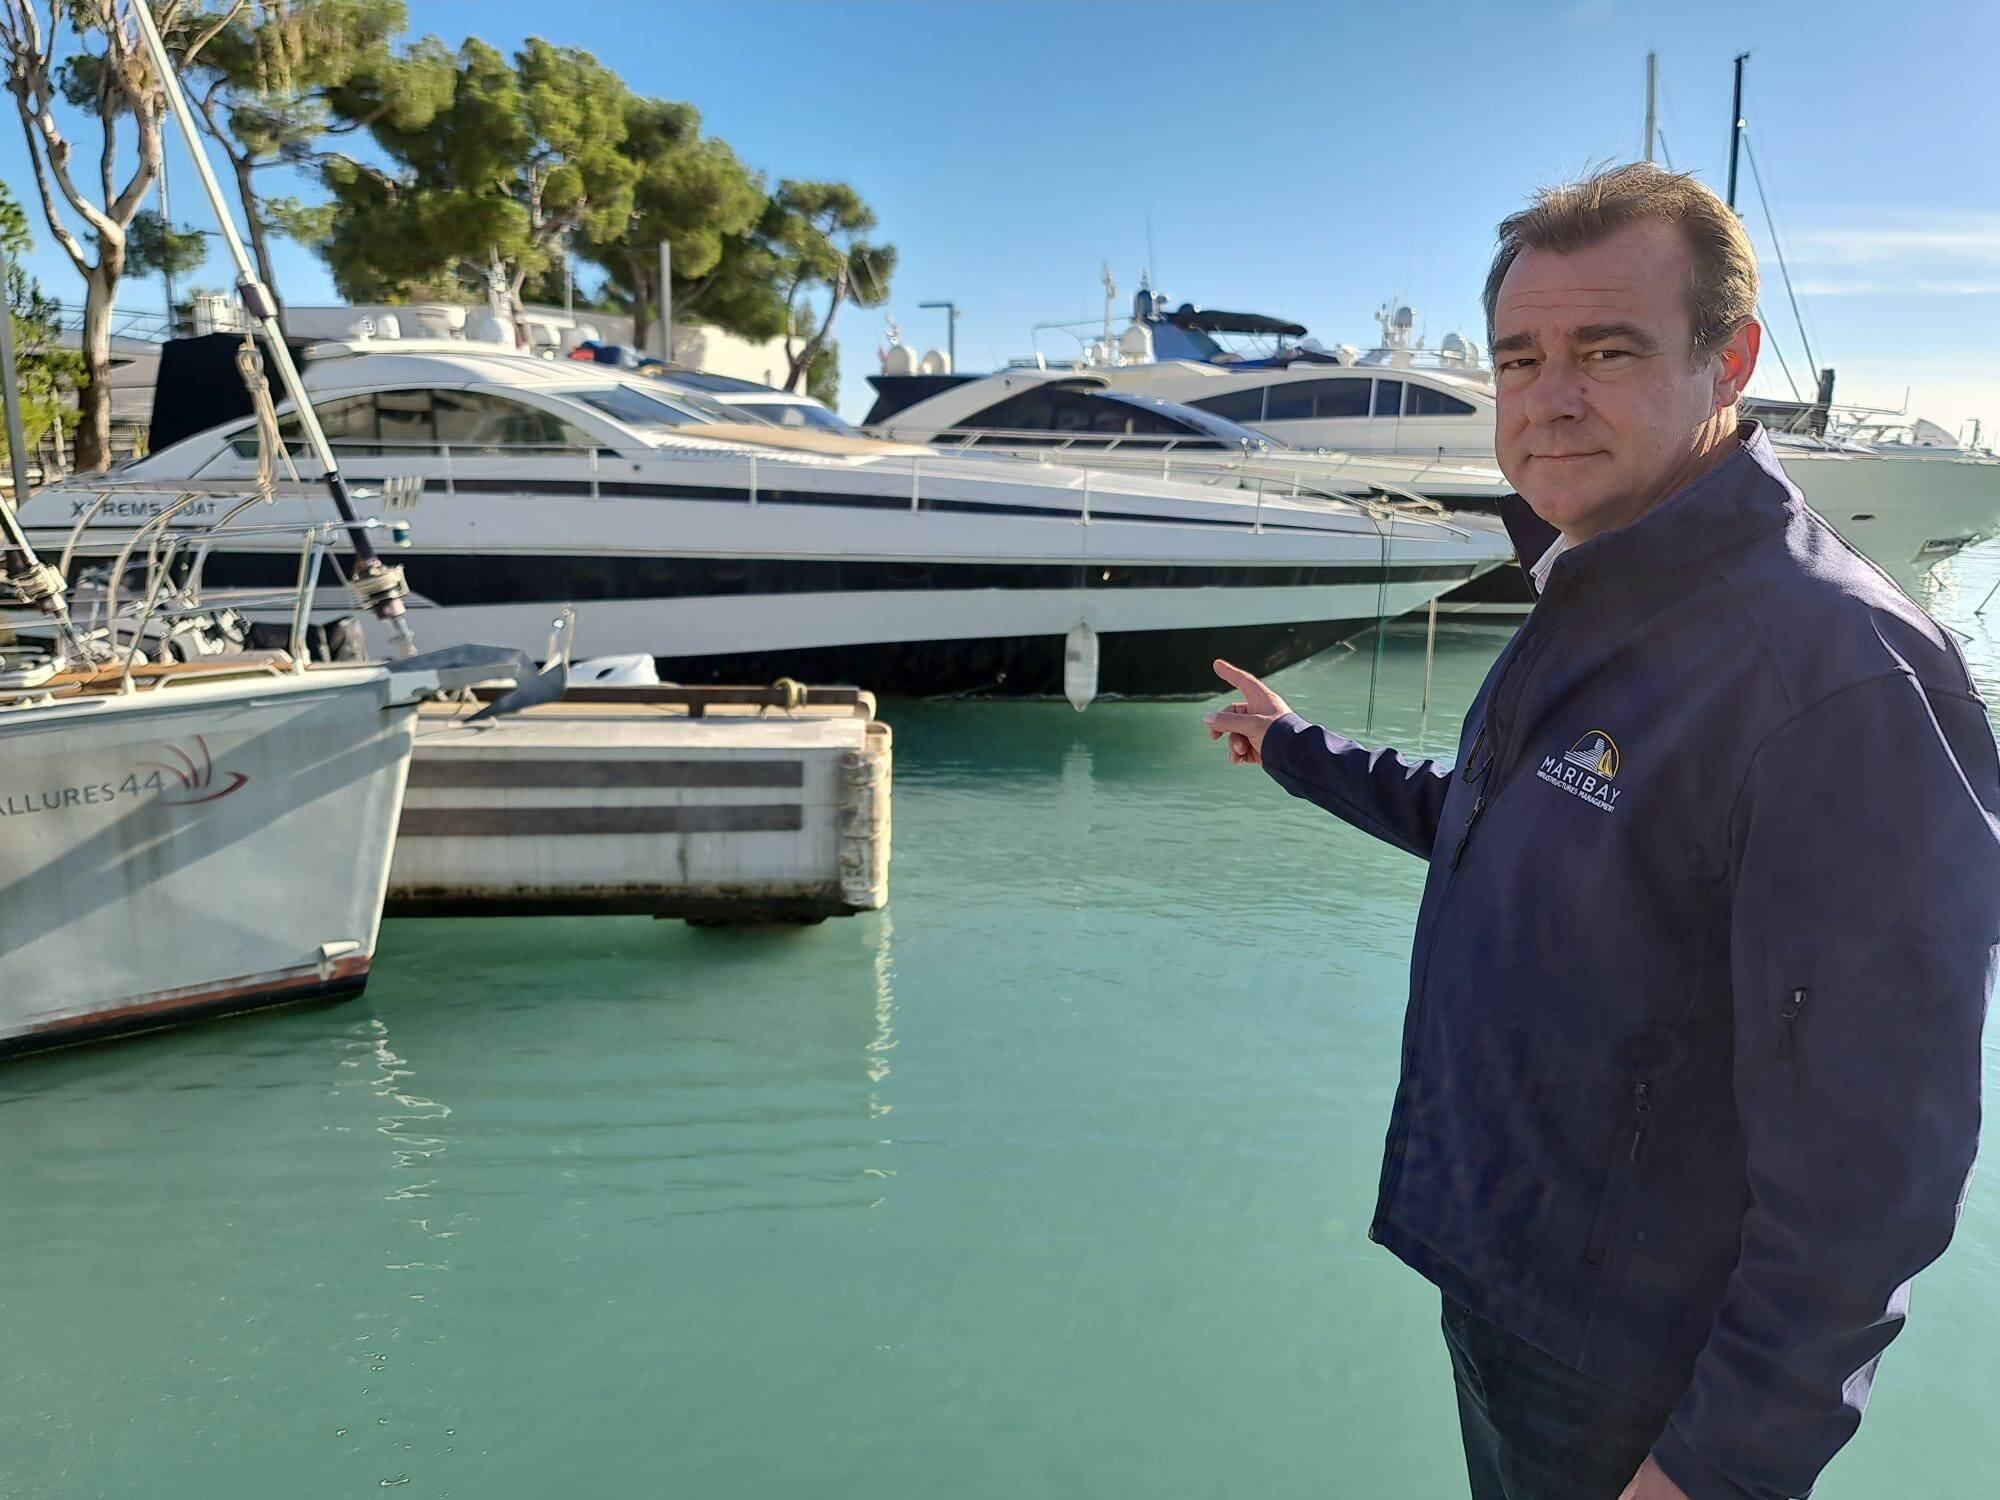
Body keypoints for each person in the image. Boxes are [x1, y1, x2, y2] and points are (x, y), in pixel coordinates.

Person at [1204, 163, 2000, 1500]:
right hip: (1518, 1288)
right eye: (1521, 359)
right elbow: (1501, 823)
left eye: (1608, 351)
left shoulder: (1835, 677)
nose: (1549, 398)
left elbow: (1876, 1158)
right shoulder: (1600, 583)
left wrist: (1720, 1462)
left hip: (1644, 1376)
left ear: (1729, 360)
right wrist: (1295, 748)